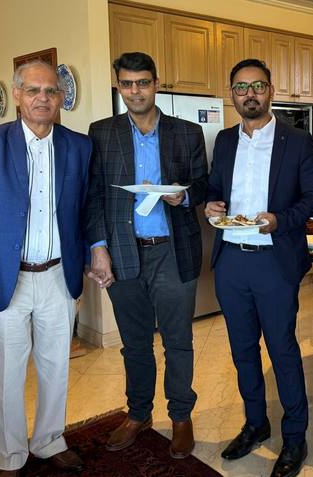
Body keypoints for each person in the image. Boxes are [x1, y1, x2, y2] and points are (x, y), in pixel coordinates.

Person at [0, 61, 91, 476]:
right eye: (33, 90)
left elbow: (86, 210)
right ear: (16, 95)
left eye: (50, 91)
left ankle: (50, 440)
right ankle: (11, 455)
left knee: (56, 367)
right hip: (2, 280)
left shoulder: (79, 146)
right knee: (9, 374)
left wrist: (93, 253)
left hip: (56, 276)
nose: (42, 99)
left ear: (61, 97)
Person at [84, 51, 208, 458]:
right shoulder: (101, 132)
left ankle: (181, 417)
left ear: (156, 83)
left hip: (173, 251)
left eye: (143, 82)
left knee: (178, 341)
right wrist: (98, 249)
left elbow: (204, 188)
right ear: (119, 87)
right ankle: (138, 414)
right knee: (135, 344)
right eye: (127, 83)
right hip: (122, 253)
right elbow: (95, 198)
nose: (135, 90)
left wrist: (184, 195)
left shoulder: (187, 133)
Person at [205, 58, 313, 477]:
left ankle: (295, 438)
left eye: (257, 86)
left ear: (271, 90)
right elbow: (216, 188)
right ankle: (256, 424)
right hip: (232, 260)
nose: (249, 94)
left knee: (283, 351)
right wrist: (211, 204)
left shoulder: (297, 140)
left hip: (274, 260)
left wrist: (279, 220)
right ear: (232, 94)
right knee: (242, 351)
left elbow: (311, 198)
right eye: (240, 87)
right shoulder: (224, 140)